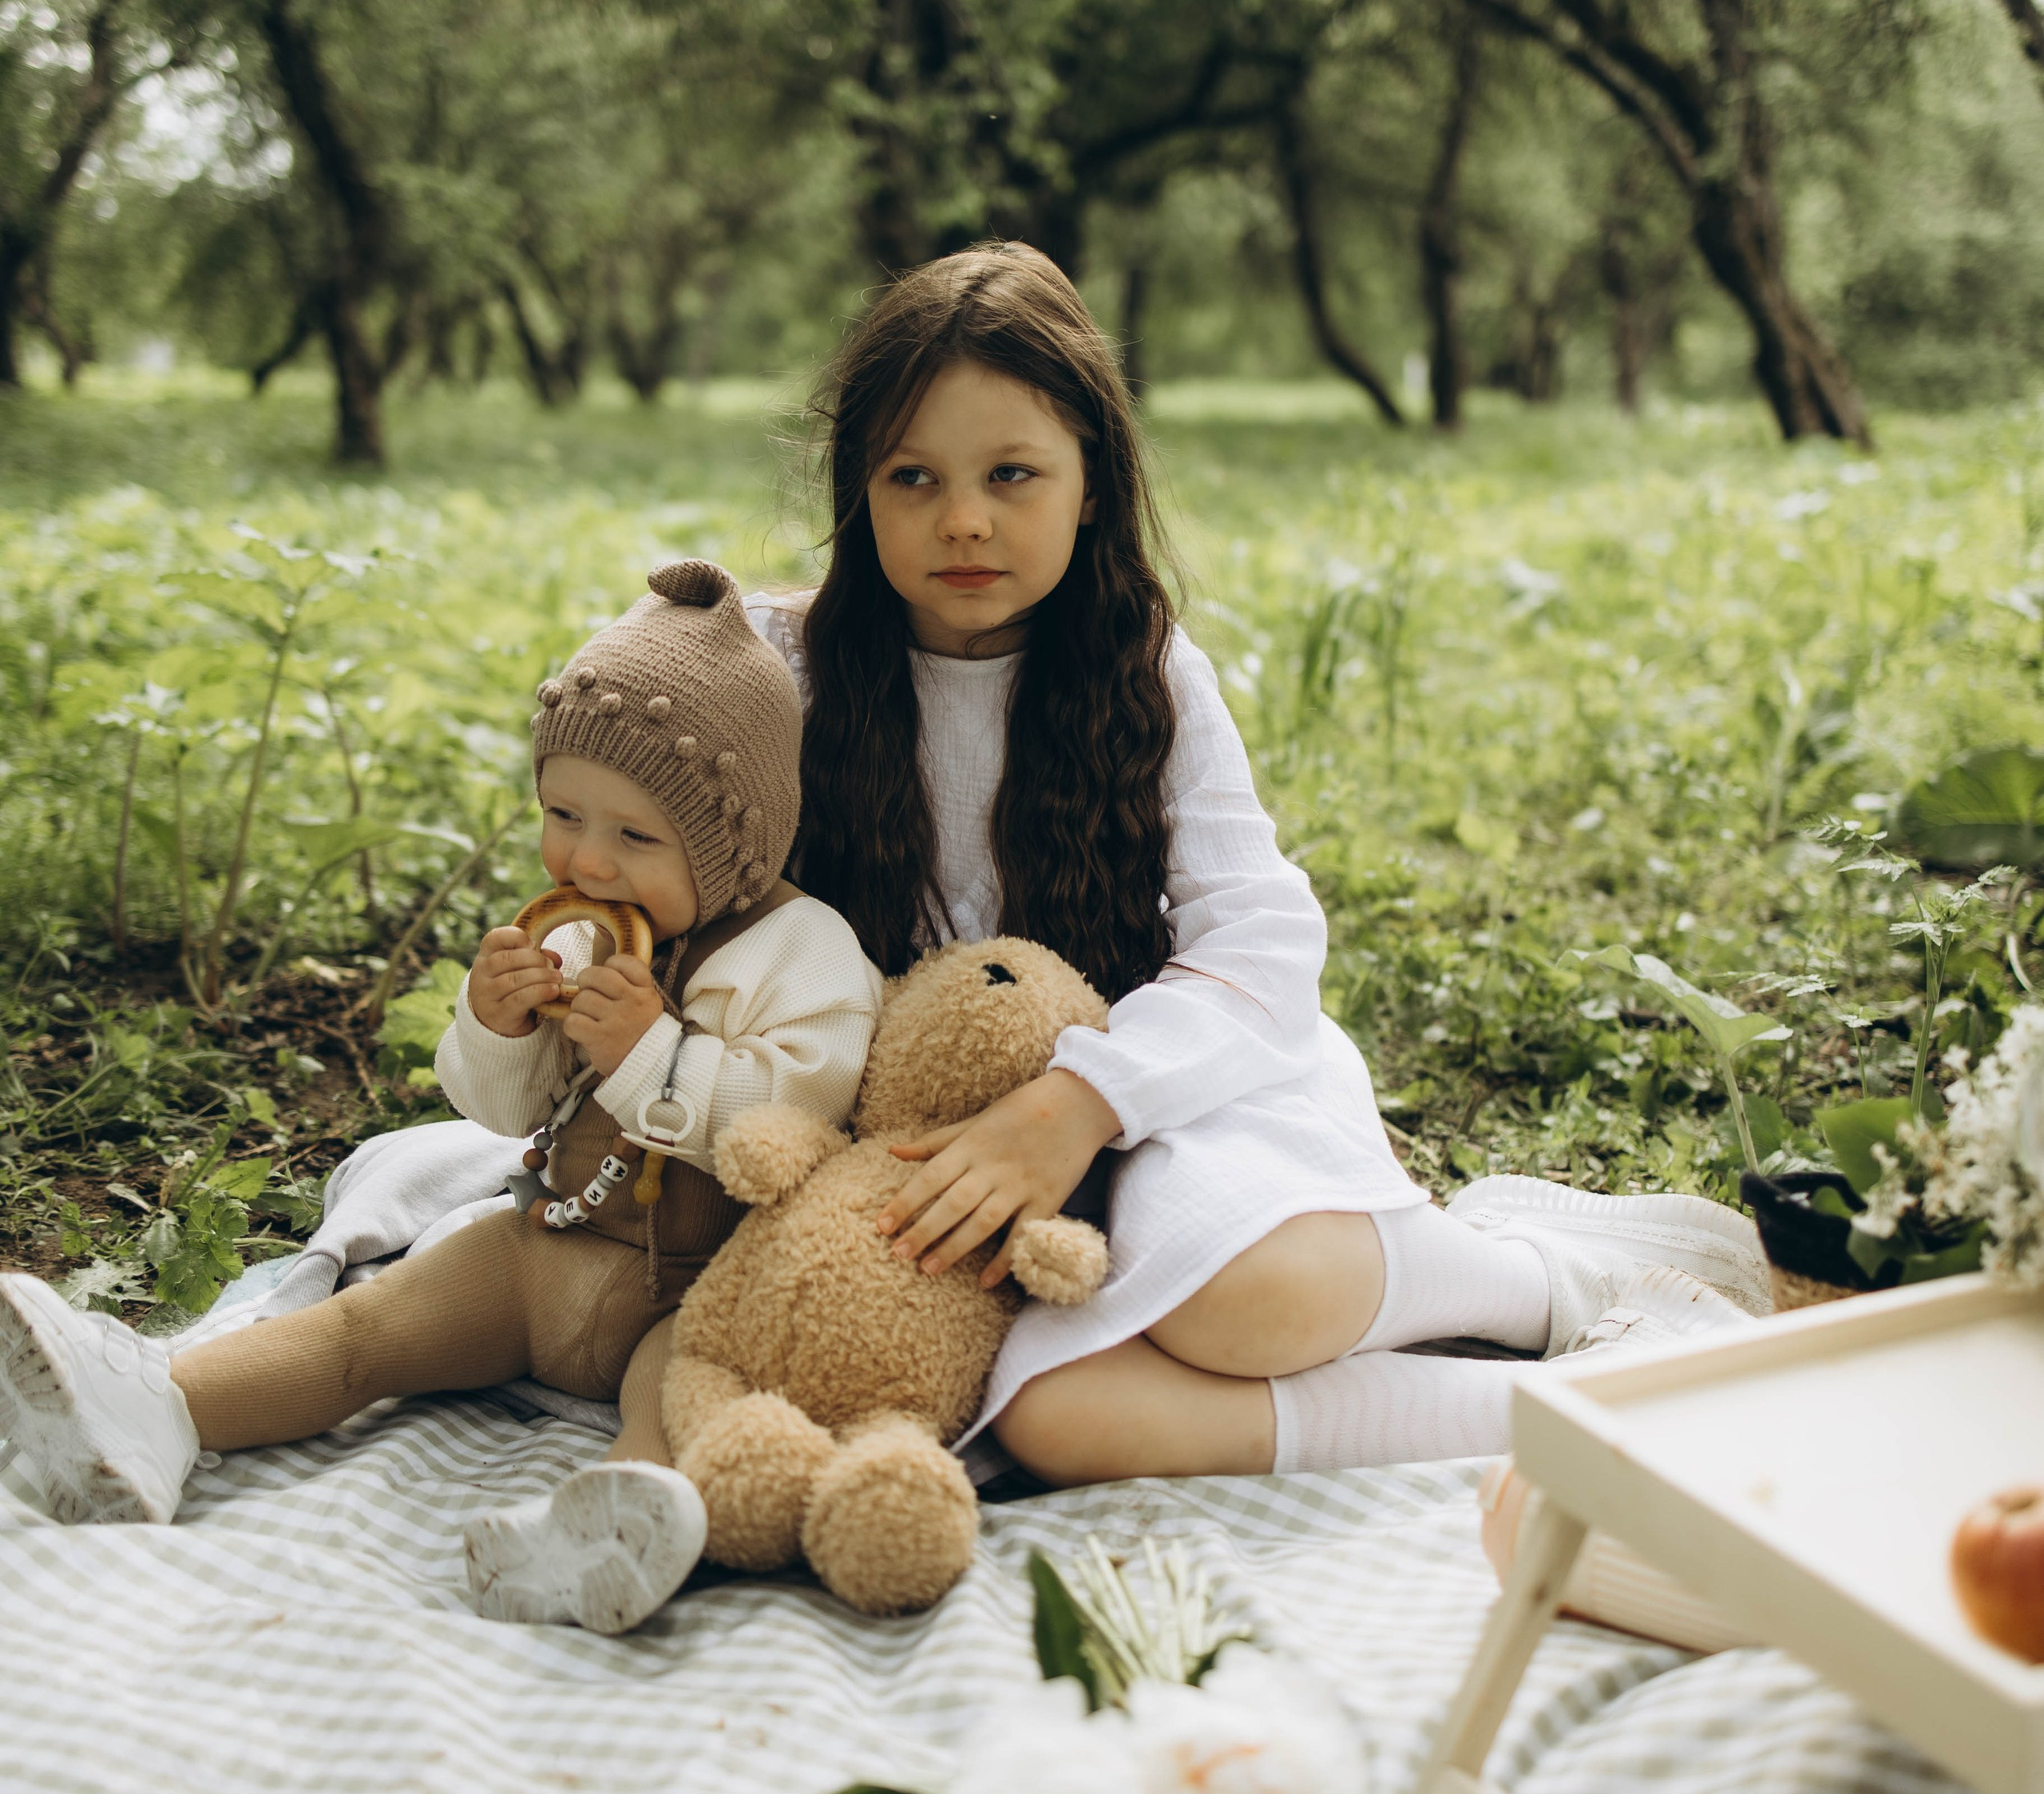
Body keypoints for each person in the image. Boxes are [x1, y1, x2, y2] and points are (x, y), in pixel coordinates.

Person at [753, 243, 1771, 1488]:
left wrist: (1077, 1106)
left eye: (1012, 474)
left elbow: (1262, 943)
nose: (963, 517)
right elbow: (623, 775)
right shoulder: (792, 670)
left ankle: (1543, 1279)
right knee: (1057, 1422)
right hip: (919, 1140)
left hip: (1171, 1088)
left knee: (1245, 1307)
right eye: (914, 477)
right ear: (859, 490)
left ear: (1091, 486)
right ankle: (1589, 1397)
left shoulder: (1142, 673)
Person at [0, 561, 883, 1630]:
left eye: (637, 837)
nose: (589, 860)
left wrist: (652, 1052)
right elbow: (507, 1114)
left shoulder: (803, 952)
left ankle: (618, 1524)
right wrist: (499, 1027)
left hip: (699, 1280)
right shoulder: (576, 930)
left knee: (687, 1384)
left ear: (733, 841)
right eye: (563, 813)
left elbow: (799, 1125)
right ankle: (160, 1409)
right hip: (547, 1245)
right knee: (369, 1331)